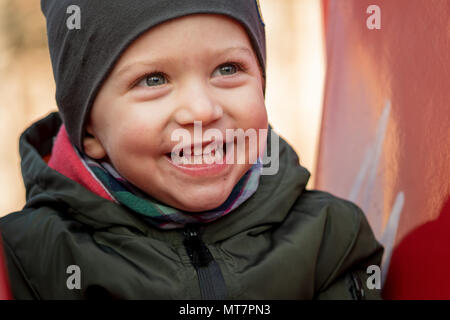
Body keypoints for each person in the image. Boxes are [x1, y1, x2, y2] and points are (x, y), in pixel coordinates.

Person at [0, 0, 383, 299]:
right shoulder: (31, 260)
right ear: (91, 132)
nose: (202, 109)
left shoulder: (329, 239)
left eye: (228, 69)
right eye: (153, 79)